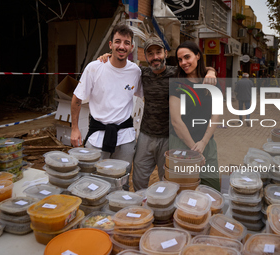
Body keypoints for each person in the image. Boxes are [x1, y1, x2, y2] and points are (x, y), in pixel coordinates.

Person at [98, 37, 217, 191]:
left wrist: (211, 71)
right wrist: (107, 56)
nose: (155, 57)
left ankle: (163, 208)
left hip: (169, 137)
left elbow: (196, 66)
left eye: (158, 52)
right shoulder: (142, 73)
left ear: (165, 53)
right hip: (146, 135)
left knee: (167, 180)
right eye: (150, 53)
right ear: (145, 57)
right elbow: (121, 66)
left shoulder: (177, 73)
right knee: (139, 178)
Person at [70, 24, 141, 191]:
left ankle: (120, 213)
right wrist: (74, 128)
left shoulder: (135, 71)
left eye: (126, 43)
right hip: (97, 137)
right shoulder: (95, 68)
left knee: (122, 181)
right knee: (92, 181)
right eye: (118, 42)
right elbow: (77, 98)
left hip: (125, 137)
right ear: (110, 45)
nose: (122, 46)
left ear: (131, 47)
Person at [169, 40, 221, 191]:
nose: (183, 62)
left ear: (198, 56)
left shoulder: (212, 82)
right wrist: (194, 149)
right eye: (180, 60)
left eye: (187, 57)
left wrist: (204, 143)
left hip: (207, 144)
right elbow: (176, 121)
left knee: (211, 189)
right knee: (182, 190)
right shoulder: (177, 84)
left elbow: (216, 115)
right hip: (181, 144)